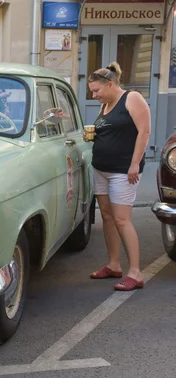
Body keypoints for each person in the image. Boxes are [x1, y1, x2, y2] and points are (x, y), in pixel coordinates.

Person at [86, 62, 151, 291]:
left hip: (123, 171)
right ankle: (114, 264)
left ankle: (135, 272)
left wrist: (134, 164)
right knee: (107, 216)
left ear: (110, 84)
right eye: (92, 91)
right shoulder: (105, 104)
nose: (94, 95)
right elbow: (109, 131)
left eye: (97, 91)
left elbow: (144, 131)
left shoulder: (131, 98)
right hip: (101, 169)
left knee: (122, 220)